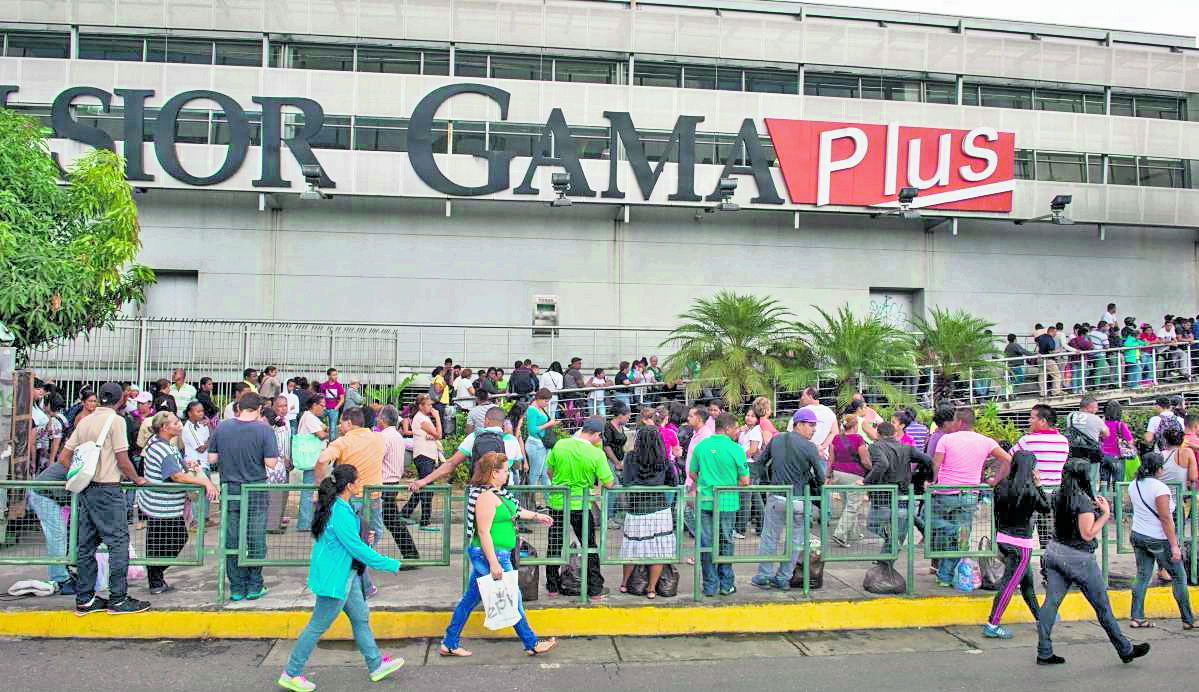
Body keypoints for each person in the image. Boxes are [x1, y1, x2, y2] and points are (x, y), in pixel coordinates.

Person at [277, 465, 407, 691]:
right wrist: (389, 564)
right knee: (317, 626)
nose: (360, 485)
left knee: (360, 618)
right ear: (349, 486)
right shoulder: (340, 512)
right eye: (357, 481)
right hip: (335, 579)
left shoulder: (339, 507)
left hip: (346, 576)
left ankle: (375, 665)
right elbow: (356, 548)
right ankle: (291, 672)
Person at [439, 452, 557, 657]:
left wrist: (538, 516)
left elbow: (517, 512)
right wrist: (494, 563)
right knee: (513, 596)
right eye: (505, 471)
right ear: (494, 473)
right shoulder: (486, 497)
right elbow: (483, 532)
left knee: (470, 599)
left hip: (495, 554)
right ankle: (532, 643)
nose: (508, 474)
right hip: (491, 555)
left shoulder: (499, 494)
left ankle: (449, 642)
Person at [1036, 461, 1149, 666]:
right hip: (1079, 558)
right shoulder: (1081, 500)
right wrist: (1105, 514)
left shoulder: (1059, 494)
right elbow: (1087, 533)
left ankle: (1044, 651)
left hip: (1054, 551)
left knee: (1051, 603)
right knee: (1103, 608)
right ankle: (1125, 649)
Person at [58, 382, 150, 615]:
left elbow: (64, 457)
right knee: (118, 543)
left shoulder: (85, 420)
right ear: (121, 400)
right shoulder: (116, 421)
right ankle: (118, 599)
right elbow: (122, 458)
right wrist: (137, 479)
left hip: (86, 489)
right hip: (108, 489)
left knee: (86, 545)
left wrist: (81, 476)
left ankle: (85, 599)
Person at [209, 392, 279, 601]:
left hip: (230, 490)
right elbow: (272, 463)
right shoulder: (264, 430)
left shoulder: (222, 427)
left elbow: (212, 457)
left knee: (232, 538)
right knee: (255, 538)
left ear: (239, 408)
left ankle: (237, 587)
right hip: (255, 490)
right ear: (258, 409)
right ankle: (254, 585)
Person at [139, 411, 219, 594]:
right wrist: (205, 481)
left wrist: (184, 463)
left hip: (156, 504)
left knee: (158, 542)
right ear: (165, 428)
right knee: (175, 538)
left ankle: (156, 578)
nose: (179, 425)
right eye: (175, 423)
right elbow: (175, 476)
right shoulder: (164, 448)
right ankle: (155, 575)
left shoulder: (157, 443)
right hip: (163, 506)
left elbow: (173, 467)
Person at [931, 407, 1012, 586]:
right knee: (962, 536)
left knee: (934, 525)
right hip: (970, 494)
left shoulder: (946, 439)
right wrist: (995, 479)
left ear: (959, 422)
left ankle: (944, 573)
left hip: (945, 493)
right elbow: (1008, 459)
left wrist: (932, 481)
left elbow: (936, 465)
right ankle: (945, 575)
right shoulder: (986, 441)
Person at [315, 406, 386, 596]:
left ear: (348, 422)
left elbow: (322, 460)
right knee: (370, 535)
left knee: (356, 542)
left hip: (350, 498)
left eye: (341, 422)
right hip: (373, 498)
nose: (339, 426)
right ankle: (362, 581)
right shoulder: (378, 438)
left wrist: (318, 484)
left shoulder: (343, 442)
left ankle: (355, 574)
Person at [750, 408, 823, 590]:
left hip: (777, 497)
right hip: (800, 500)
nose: (813, 430)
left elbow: (760, 463)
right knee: (795, 541)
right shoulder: (810, 447)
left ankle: (764, 576)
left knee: (769, 538)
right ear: (799, 424)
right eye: (811, 426)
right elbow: (821, 477)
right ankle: (783, 578)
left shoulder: (777, 439)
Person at [544, 417, 614, 600]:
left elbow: (549, 471)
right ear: (597, 435)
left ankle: (552, 586)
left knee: (554, 544)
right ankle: (595, 589)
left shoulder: (560, 445)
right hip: (581, 505)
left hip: (557, 503)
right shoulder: (596, 453)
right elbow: (609, 482)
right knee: (589, 546)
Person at [982, 450, 1049, 639]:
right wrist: (1039, 484)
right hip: (1021, 545)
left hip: (1003, 539)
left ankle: (1039, 617)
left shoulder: (1002, 485)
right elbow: (1045, 508)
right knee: (1009, 585)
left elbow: (996, 514)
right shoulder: (1030, 489)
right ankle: (993, 623)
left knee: (1026, 582)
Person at [1126, 452, 1193, 630]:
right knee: (1179, 576)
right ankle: (1188, 619)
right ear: (1158, 468)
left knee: (1142, 575)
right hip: (1158, 538)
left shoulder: (1134, 485)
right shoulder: (1160, 488)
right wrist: (1174, 546)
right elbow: (1166, 519)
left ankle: (1137, 617)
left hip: (1138, 534)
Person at [689, 413, 750, 597]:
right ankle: (726, 584)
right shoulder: (736, 449)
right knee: (726, 542)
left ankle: (709, 586)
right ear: (729, 428)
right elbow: (745, 480)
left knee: (706, 544)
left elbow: (692, 473)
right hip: (727, 503)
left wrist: (705, 484)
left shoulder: (701, 446)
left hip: (706, 502)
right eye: (736, 428)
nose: (737, 431)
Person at [619, 425, 679, 598]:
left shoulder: (631, 457)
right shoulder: (664, 459)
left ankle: (624, 583)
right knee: (658, 550)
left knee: (632, 547)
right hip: (659, 510)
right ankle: (651, 588)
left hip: (636, 510)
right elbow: (673, 481)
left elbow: (626, 481)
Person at [409, 406, 523, 492]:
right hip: (503, 492)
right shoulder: (512, 440)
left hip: (478, 492)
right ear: (503, 423)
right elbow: (517, 467)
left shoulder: (474, 437)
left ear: (486, 420)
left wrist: (424, 481)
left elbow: (451, 463)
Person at [862, 422, 930, 560]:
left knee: (873, 524)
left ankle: (888, 555)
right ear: (894, 434)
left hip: (884, 494)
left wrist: (866, 482)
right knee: (899, 524)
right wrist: (926, 477)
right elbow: (928, 460)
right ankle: (886, 559)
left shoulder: (875, 446)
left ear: (878, 434)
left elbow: (882, 464)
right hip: (902, 493)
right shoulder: (906, 448)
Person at [376, 405, 420, 563]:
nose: (377, 419)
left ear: (383, 420)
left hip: (384, 483)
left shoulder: (383, 437)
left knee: (384, 520)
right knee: (391, 519)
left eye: (379, 417)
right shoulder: (396, 436)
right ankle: (410, 553)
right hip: (392, 481)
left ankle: (411, 554)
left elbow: (376, 459)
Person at [829, 414, 870, 548]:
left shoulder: (836, 438)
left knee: (847, 503)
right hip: (854, 474)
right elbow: (864, 460)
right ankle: (840, 534)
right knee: (853, 506)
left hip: (838, 474)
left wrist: (828, 475)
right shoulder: (858, 439)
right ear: (855, 426)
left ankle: (853, 532)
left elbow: (831, 458)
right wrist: (872, 469)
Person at [402, 395, 442, 531]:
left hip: (425, 455)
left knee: (422, 485)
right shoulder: (421, 418)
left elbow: (434, 435)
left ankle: (406, 511)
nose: (431, 407)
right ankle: (425, 521)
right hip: (424, 456)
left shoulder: (421, 418)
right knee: (427, 488)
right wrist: (437, 417)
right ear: (421, 406)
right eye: (429, 405)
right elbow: (439, 434)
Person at [294, 397, 328, 533]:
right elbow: (321, 434)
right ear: (314, 405)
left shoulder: (309, 416)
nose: (324, 408)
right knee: (308, 491)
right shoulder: (310, 417)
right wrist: (329, 434)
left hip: (312, 459)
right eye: (322, 405)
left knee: (309, 490)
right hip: (311, 459)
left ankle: (306, 521)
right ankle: (305, 522)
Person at [180, 400, 216, 528]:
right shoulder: (188, 428)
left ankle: (204, 519)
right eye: (198, 411)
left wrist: (210, 429)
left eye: (202, 411)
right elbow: (200, 447)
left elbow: (209, 437)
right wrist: (211, 439)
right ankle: (196, 521)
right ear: (190, 413)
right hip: (195, 465)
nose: (201, 414)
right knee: (197, 494)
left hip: (204, 463)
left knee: (206, 493)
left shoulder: (201, 425)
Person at [524, 388, 560, 506]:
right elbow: (532, 430)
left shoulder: (540, 408)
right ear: (539, 399)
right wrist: (549, 424)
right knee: (535, 474)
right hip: (536, 444)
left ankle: (548, 502)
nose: (547, 403)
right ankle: (531, 503)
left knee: (545, 473)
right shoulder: (532, 410)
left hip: (543, 444)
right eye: (545, 401)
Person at [1067, 396, 1108, 485]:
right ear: (1089, 407)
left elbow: (1069, 429)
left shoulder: (1071, 416)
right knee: (1091, 479)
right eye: (1096, 407)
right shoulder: (1096, 419)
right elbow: (1106, 433)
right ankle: (1091, 496)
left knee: (1075, 477)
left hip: (1074, 450)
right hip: (1091, 452)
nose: (1097, 409)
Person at [601, 401, 630, 526]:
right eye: (627, 415)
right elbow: (607, 447)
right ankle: (607, 518)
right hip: (609, 461)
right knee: (612, 488)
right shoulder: (608, 426)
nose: (629, 418)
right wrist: (617, 462)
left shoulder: (620, 427)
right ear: (620, 415)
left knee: (617, 488)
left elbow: (621, 445)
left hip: (619, 461)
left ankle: (612, 515)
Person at [1035, 325, 1063, 396]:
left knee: (1042, 376)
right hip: (1048, 360)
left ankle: (1042, 392)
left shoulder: (1041, 337)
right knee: (1057, 375)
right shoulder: (1050, 339)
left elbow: (1037, 342)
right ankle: (1055, 391)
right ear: (1052, 331)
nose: (1055, 334)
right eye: (1055, 332)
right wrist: (1058, 351)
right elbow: (1051, 352)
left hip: (1040, 358)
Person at [319, 368, 345, 441]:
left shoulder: (339, 386)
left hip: (334, 410)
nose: (336, 376)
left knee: (333, 428)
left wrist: (336, 408)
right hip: (324, 409)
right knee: (318, 424)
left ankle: (332, 443)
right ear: (329, 376)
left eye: (336, 374)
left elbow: (342, 399)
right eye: (334, 375)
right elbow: (321, 397)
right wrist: (323, 407)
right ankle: (320, 440)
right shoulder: (323, 385)